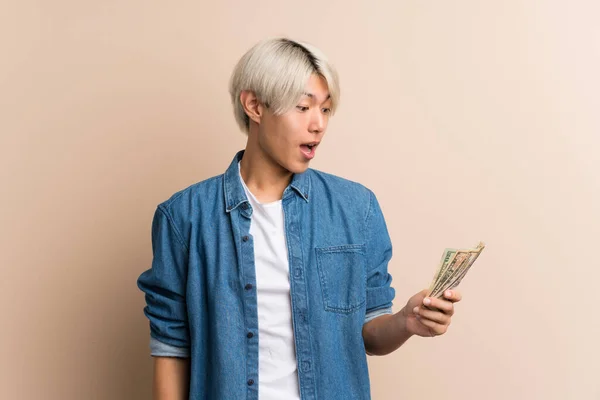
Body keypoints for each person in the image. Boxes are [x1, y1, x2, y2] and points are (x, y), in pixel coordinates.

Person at [137, 37, 462, 400]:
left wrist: (406, 322)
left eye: (325, 109)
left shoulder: (356, 208)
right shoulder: (184, 217)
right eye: (303, 107)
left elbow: (370, 332)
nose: (318, 124)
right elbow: (171, 346)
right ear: (254, 105)